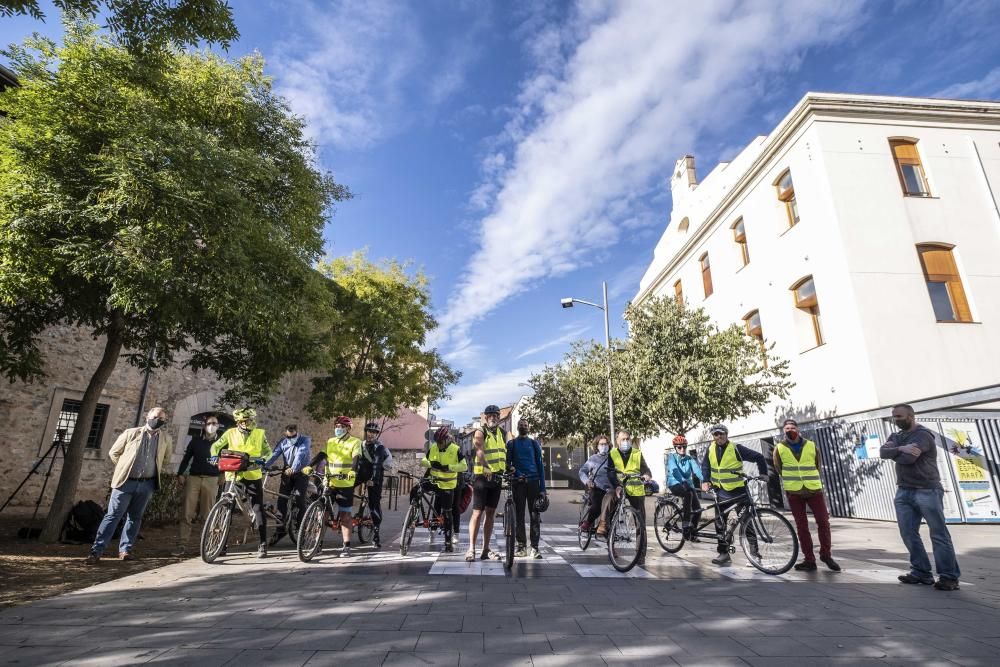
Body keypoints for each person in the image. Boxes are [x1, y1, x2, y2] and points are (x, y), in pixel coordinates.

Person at [881, 404, 960, 591]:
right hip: (903, 491)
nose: (896, 420)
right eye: (894, 417)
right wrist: (902, 448)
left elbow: (908, 459)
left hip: (927, 490)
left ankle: (949, 576)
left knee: (938, 534)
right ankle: (921, 572)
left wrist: (895, 451)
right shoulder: (896, 436)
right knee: (908, 532)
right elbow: (882, 453)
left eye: (899, 416)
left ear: (911, 416)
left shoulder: (923, 435)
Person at [85, 407, 172, 564]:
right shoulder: (131, 433)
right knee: (112, 516)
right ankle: (96, 551)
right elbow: (114, 453)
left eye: (161, 419)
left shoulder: (166, 439)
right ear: (148, 417)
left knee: (135, 518)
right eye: (155, 417)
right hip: (125, 482)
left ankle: (125, 550)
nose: (158, 420)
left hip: (146, 484)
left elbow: (166, 459)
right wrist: (124, 469)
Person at [773, 418, 840, 572]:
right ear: (783, 431)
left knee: (823, 522)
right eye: (786, 428)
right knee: (802, 527)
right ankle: (809, 560)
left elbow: (818, 464)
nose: (789, 430)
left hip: (813, 490)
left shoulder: (811, 445)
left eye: (792, 427)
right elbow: (778, 467)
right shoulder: (779, 448)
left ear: (798, 429)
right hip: (794, 492)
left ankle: (826, 555)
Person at [700, 424, 767, 567]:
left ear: (726, 434)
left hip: (738, 491)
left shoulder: (736, 448)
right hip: (720, 491)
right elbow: (705, 466)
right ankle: (724, 553)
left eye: (721, 434)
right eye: (715, 434)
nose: (718, 437)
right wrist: (705, 481)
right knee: (719, 523)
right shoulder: (710, 448)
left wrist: (763, 474)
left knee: (747, 522)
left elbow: (758, 457)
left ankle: (755, 554)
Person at [210, 407, 272, 558]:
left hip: (252, 473)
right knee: (227, 508)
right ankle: (221, 545)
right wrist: (213, 456)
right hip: (233, 474)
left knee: (257, 508)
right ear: (239, 422)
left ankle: (262, 544)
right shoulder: (230, 433)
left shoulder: (259, 433)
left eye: (251, 420)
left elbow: (268, 452)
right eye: (246, 420)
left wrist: (263, 460)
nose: (250, 422)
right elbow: (216, 445)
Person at [304, 416, 360, 558]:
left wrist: (352, 471)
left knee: (345, 515)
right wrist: (309, 465)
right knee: (321, 513)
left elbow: (356, 459)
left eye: (341, 426)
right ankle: (318, 543)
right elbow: (321, 455)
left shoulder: (355, 442)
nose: (338, 429)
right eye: (336, 426)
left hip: (345, 483)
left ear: (348, 429)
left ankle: (346, 546)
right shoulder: (331, 441)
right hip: (329, 481)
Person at [174, 414, 222, 555]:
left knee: (207, 514)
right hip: (193, 478)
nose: (212, 425)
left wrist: (223, 475)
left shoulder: (222, 443)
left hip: (212, 479)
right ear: (204, 425)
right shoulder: (195, 441)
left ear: (218, 426)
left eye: (214, 423)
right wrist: (181, 473)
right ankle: (182, 544)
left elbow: (226, 460)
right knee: (186, 512)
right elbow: (187, 457)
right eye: (209, 423)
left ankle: (207, 544)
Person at [465, 405, 507, 562]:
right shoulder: (480, 432)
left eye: (496, 415)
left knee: (490, 514)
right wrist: (486, 467)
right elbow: (479, 451)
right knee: (477, 513)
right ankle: (471, 549)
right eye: (490, 415)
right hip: (482, 478)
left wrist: (510, 467)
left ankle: (485, 549)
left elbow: (504, 455)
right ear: (485, 417)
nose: (493, 417)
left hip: (496, 478)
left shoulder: (502, 434)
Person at [263, 424, 312, 544]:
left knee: (300, 501)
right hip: (287, 472)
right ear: (286, 434)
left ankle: (302, 530)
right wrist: (263, 466)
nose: (291, 439)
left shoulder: (305, 440)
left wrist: (294, 468)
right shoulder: (283, 442)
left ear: (297, 432)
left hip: (301, 473)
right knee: (281, 502)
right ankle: (280, 531)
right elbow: (274, 455)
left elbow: (301, 454)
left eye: (293, 436)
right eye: (288, 437)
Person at [608, 429, 652, 565]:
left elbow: (646, 469)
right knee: (610, 512)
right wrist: (616, 485)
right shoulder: (613, 453)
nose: (626, 442)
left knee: (640, 523)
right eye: (623, 439)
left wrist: (647, 475)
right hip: (619, 488)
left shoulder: (637, 453)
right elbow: (610, 473)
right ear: (617, 441)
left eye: (628, 439)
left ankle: (641, 555)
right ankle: (610, 545)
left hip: (636, 490)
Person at [420, 426, 467, 552]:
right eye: (437, 442)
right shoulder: (434, 447)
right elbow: (424, 460)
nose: (439, 445)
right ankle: (429, 528)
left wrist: (449, 467)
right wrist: (431, 464)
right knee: (434, 503)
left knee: (452, 509)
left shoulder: (455, 449)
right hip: (436, 482)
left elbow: (463, 466)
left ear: (447, 439)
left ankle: (453, 535)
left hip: (453, 483)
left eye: (441, 442)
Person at [506, 418, 546, 559]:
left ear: (528, 428)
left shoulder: (534, 443)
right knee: (519, 515)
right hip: (519, 482)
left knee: (535, 515)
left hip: (534, 482)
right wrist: (516, 473)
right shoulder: (512, 444)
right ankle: (521, 546)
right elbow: (508, 464)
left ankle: (534, 547)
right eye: (521, 425)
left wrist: (543, 489)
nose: (523, 427)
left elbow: (540, 466)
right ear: (517, 427)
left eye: (525, 425)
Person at [356, 422, 393, 548]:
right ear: (366, 432)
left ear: (377, 434)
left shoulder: (380, 447)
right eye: (369, 431)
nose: (371, 434)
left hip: (375, 477)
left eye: (374, 432)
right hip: (361, 474)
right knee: (345, 489)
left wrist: (374, 479)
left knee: (374, 504)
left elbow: (380, 465)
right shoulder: (360, 445)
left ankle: (376, 535)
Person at [666, 434, 703, 541]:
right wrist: (682, 481)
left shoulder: (689, 459)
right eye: (679, 447)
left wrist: (705, 481)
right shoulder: (671, 457)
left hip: (687, 485)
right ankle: (685, 523)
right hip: (675, 483)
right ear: (675, 448)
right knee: (688, 494)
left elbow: (697, 470)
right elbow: (674, 470)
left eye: (684, 447)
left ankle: (691, 534)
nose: (682, 449)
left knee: (698, 510)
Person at [578, 435, 614, 536]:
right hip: (597, 488)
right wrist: (587, 481)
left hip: (611, 490)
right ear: (597, 446)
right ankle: (588, 522)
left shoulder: (613, 458)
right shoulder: (593, 459)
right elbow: (582, 471)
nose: (604, 446)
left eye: (605, 444)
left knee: (613, 509)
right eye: (601, 444)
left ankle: (607, 533)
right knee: (597, 506)